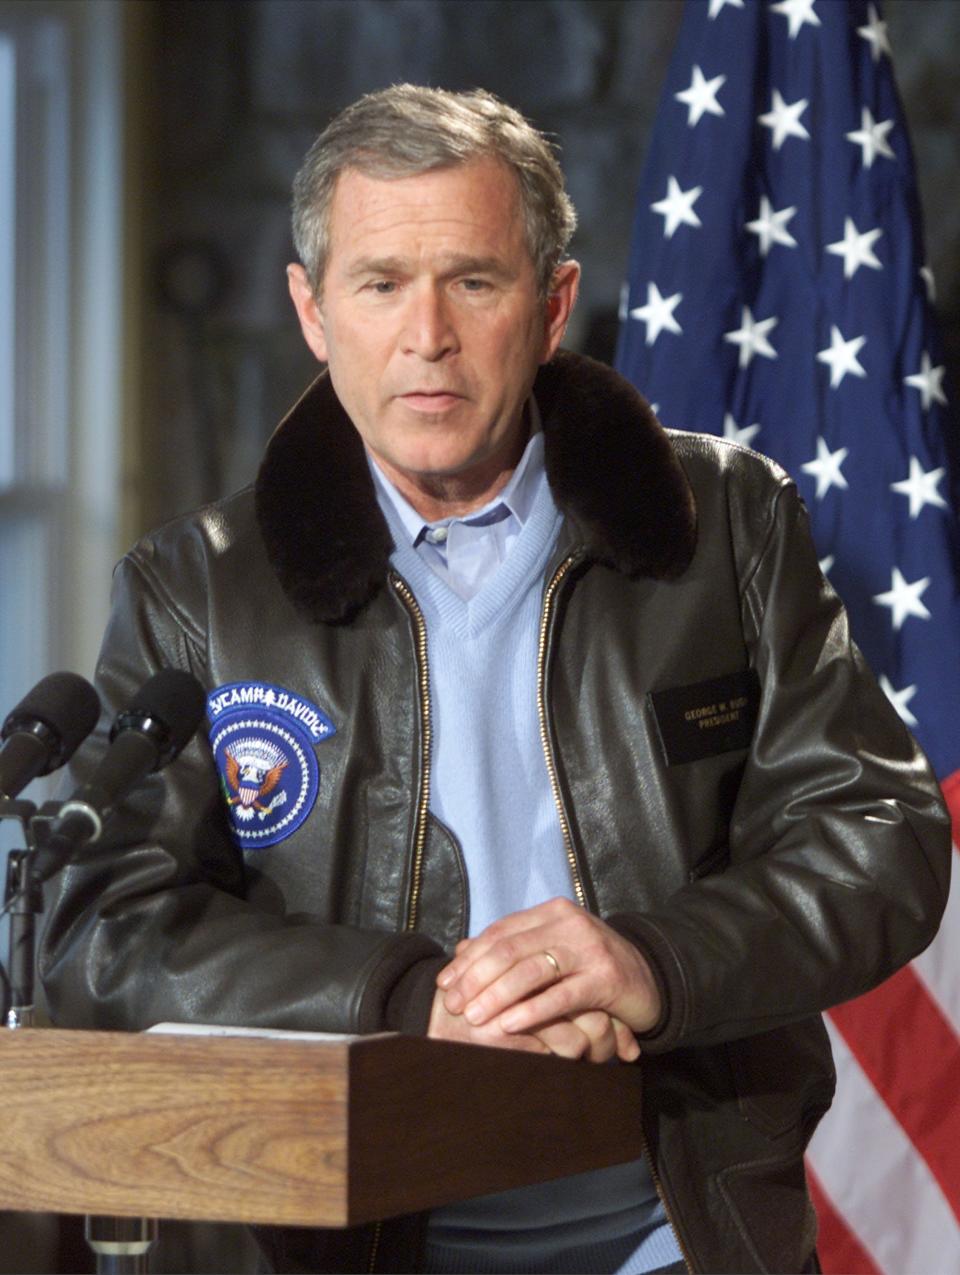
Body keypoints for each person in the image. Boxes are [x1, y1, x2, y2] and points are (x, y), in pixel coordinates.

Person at [40, 85, 950, 1275]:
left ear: (554, 303)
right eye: (379, 285)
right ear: (313, 311)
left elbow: (880, 834)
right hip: (347, 1239)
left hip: (678, 1235)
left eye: (474, 280)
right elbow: (101, 919)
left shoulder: (724, 522)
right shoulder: (199, 588)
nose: (428, 336)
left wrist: (655, 962)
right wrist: (398, 995)